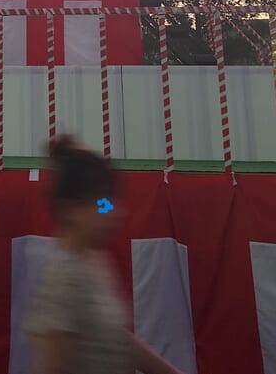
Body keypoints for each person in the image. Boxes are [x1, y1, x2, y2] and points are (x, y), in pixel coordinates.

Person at [24, 135, 186, 374]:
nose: (115, 212)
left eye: (113, 202)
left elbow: (119, 340)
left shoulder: (94, 260)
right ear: (72, 210)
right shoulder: (62, 276)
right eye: (103, 204)